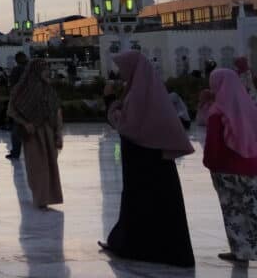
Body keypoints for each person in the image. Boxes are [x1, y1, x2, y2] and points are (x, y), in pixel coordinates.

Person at [99, 50, 195, 268]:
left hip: (143, 159)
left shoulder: (138, 93)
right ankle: (130, 243)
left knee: (143, 202)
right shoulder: (145, 89)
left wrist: (110, 100)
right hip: (151, 159)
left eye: (122, 67)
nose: (120, 72)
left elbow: (126, 125)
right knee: (150, 203)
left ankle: (138, 247)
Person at [203, 68, 257, 264]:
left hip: (226, 170)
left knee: (233, 210)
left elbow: (213, 144)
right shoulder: (249, 106)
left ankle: (241, 251)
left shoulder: (218, 111)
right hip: (251, 166)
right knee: (252, 208)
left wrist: (209, 163)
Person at [8, 59, 63, 209]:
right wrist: (25, 123)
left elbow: (57, 111)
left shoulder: (48, 90)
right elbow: (12, 109)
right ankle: (40, 197)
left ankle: (49, 196)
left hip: (48, 132)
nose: (47, 72)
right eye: (44, 69)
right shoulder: (23, 90)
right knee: (36, 166)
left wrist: (58, 133)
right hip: (33, 134)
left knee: (50, 164)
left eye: (47, 69)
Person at [5, 52, 29, 160]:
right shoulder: (31, 70)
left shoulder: (16, 70)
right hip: (31, 102)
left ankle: (15, 152)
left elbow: (12, 86)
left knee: (17, 128)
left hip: (19, 102)